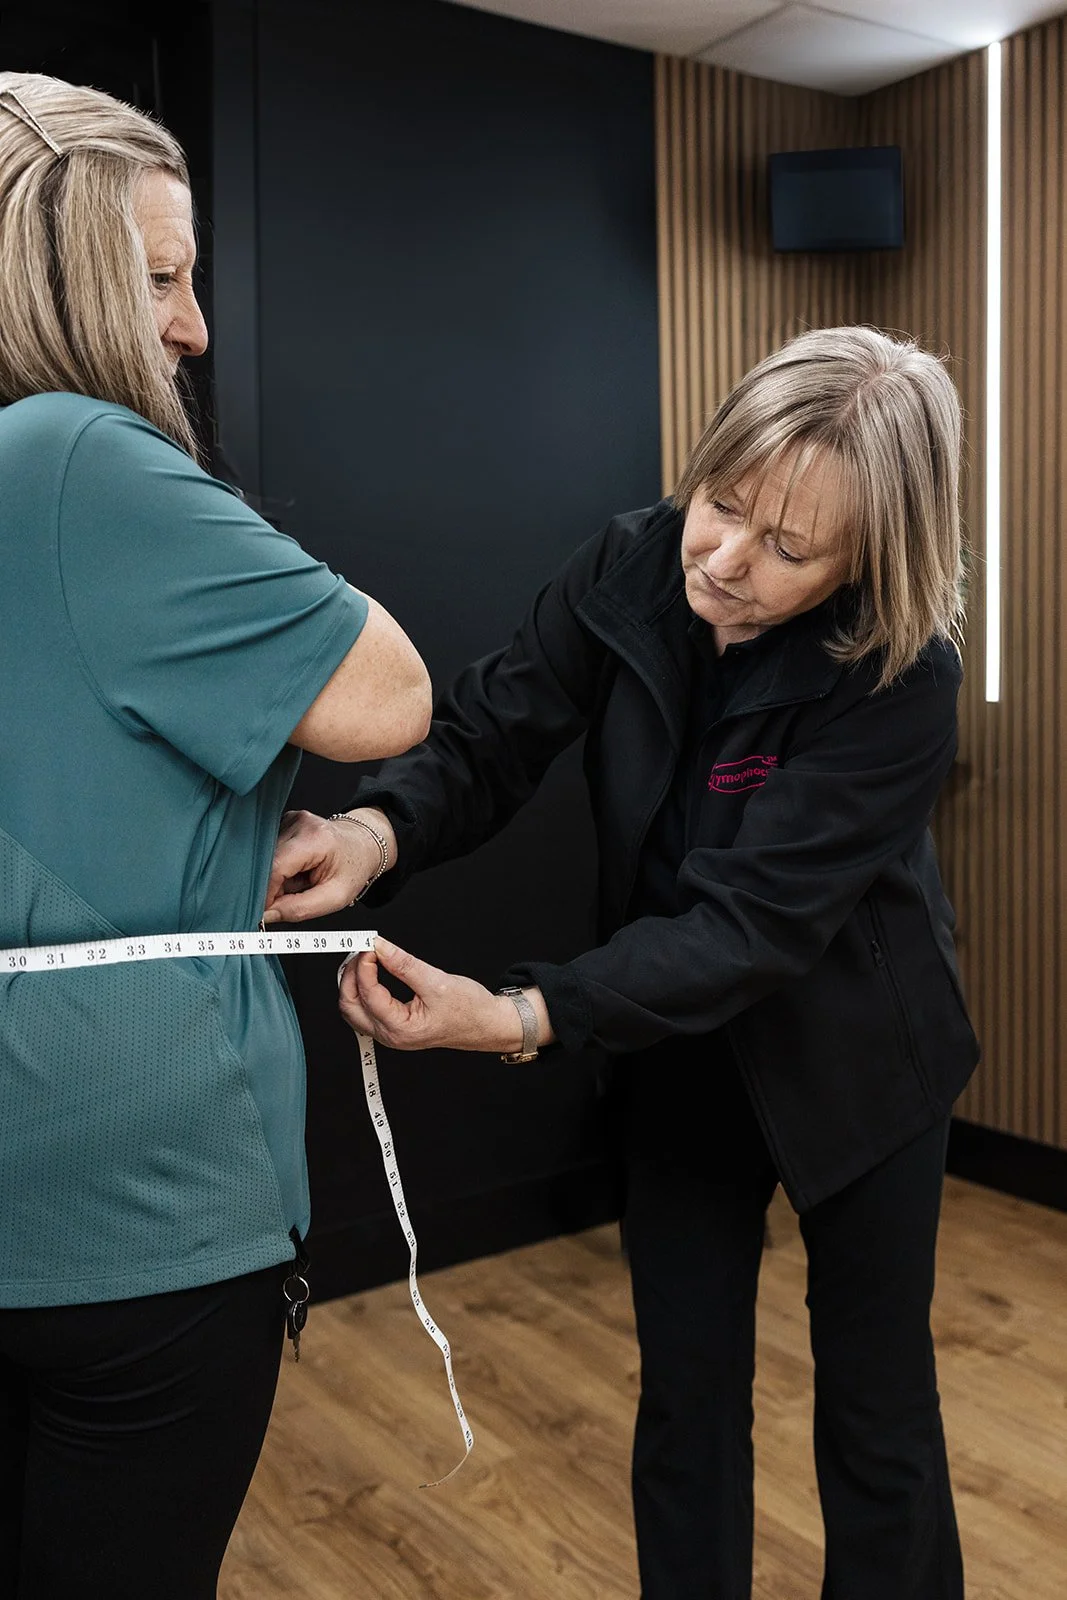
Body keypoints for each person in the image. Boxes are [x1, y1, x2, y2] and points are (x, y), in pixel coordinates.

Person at [268, 324, 980, 1599]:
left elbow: (749, 924)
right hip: (676, 1047)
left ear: (870, 554)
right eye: (719, 505)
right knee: (685, 1396)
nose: (722, 558)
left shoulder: (903, 674)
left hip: (861, 1061)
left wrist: (520, 1013)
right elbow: (491, 727)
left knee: (877, 1420)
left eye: (787, 548)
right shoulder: (637, 559)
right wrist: (375, 829)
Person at [0, 72, 432, 1600]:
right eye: (163, 279)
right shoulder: (75, 454)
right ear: (53, 276)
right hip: (131, 1223)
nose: (189, 328)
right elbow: (386, 695)